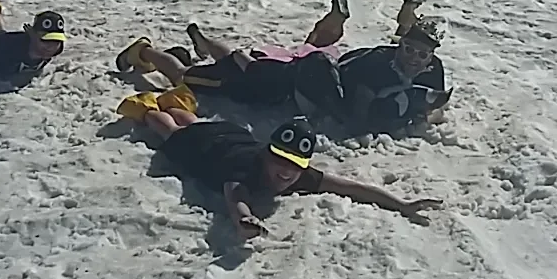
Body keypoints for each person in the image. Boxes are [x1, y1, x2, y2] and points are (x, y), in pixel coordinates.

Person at [115, 87, 443, 239]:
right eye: (279, 163)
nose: (285, 173)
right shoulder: (246, 170)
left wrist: (401, 204)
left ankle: (173, 103)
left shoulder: (295, 173)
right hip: (201, 150)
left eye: (294, 165)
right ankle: (148, 107)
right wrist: (244, 220)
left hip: (228, 133)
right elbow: (235, 197)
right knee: (170, 129)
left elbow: (351, 187)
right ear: (266, 156)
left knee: (197, 121)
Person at [114, 0, 351, 106]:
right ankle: (148, 50)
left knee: (188, 73)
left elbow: (243, 59)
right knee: (185, 74)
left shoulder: (284, 75)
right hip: (249, 75)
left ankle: (154, 49)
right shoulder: (289, 80)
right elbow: (247, 64)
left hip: (269, 64)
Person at [300, 15, 452, 134]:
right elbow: (359, 118)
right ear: (400, 46)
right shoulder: (377, 65)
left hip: (379, 80)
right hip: (344, 74)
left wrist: (423, 117)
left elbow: (436, 107)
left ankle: (406, 18)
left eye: (422, 55)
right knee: (313, 65)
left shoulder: (434, 68)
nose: (414, 58)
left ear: (430, 57)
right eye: (409, 50)